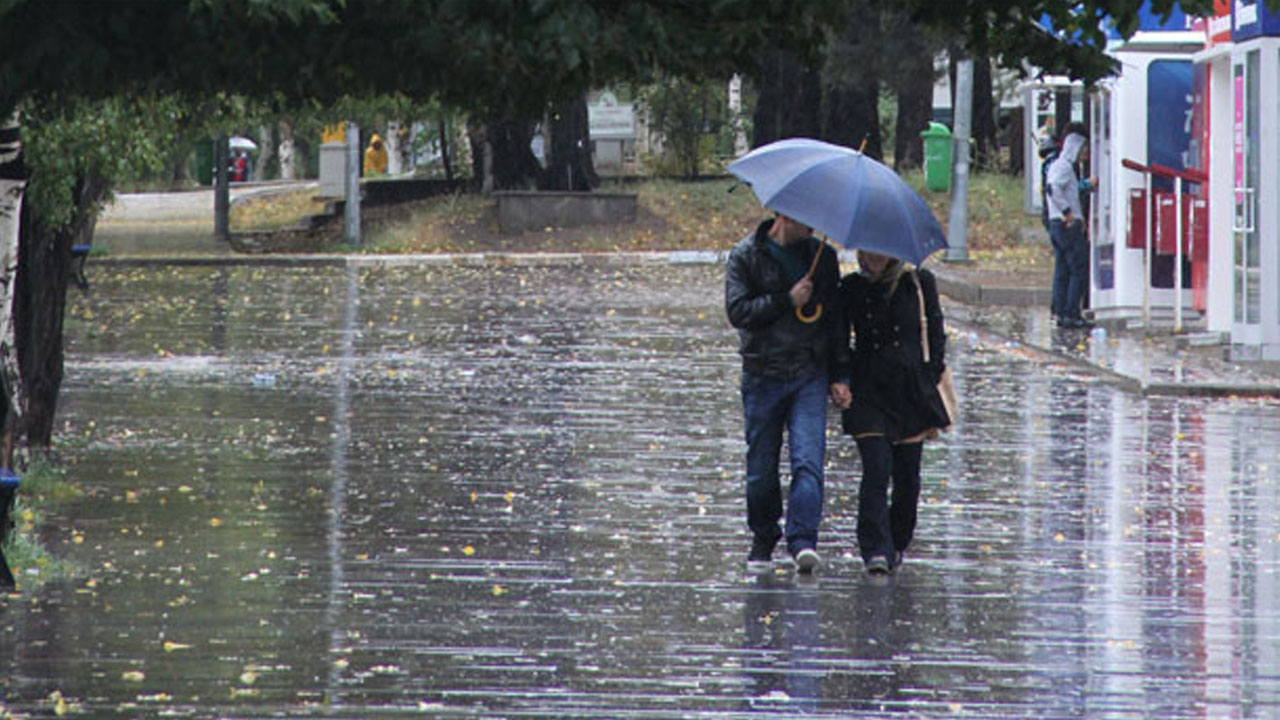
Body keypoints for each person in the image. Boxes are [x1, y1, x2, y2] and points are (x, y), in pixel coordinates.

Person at [725, 212, 848, 574]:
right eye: (803, 218)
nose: (812, 224)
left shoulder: (822, 257)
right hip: (762, 373)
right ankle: (764, 536)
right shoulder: (746, 255)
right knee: (761, 468)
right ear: (782, 215)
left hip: (808, 373)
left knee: (808, 459)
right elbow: (738, 311)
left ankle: (803, 539)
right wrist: (786, 300)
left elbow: (835, 320)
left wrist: (841, 374)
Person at [832, 250, 948, 576]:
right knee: (876, 468)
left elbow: (935, 331)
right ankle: (874, 548)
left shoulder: (918, 282)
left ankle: (897, 541)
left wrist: (930, 374)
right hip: (869, 390)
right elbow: (839, 338)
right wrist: (840, 377)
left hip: (911, 391)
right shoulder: (851, 288)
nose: (874, 258)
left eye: (880, 253)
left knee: (908, 476)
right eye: (867, 252)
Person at [1045, 124, 1096, 328]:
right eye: (1084, 149)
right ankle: (1072, 313)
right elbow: (1053, 188)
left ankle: (1060, 312)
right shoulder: (1064, 167)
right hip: (1066, 225)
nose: (1086, 154)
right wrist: (1068, 213)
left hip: (1056, 224)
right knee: (1078, 269)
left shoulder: (1058, 166)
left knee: (1063, 270)